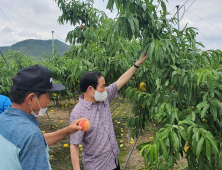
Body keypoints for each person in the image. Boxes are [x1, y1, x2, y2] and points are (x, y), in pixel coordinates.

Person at [69, 52, 147, 170]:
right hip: (97, 166)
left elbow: (121, 80)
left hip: (113, 161)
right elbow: (74, 144)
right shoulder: (78, 112)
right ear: (90, 89)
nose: (105, 89)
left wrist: (137, 64)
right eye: (102, 86)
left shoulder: (103, 98)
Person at [0, 65, 83, 170]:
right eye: (47, 97)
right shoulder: (31, 135)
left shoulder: (3, 119)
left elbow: (30, 142)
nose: (48, 102)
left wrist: (67, 130)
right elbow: (32, 140)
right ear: (31, 99)